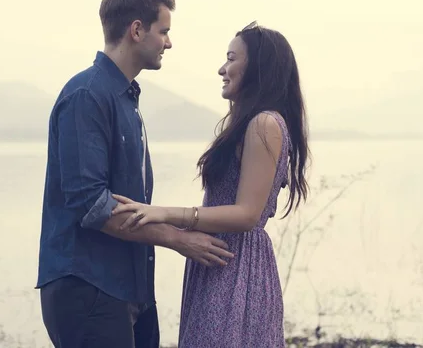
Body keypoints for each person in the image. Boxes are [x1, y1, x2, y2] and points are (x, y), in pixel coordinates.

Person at [35, 0, 234, 348]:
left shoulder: (125, 98)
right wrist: (177, 238)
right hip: (88, 287)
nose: (169, 42)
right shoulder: (87, 95)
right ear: (137, 30)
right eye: (164, 31)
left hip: (131, 288)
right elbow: (91, 204)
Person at [111, 21, 310, 347]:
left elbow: (247, 214)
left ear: (258, 67)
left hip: (237, 269)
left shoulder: (264, 124)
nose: (222, 68)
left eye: (232, 58)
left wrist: (163, 213)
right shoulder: (245, 124)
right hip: (218, 262)